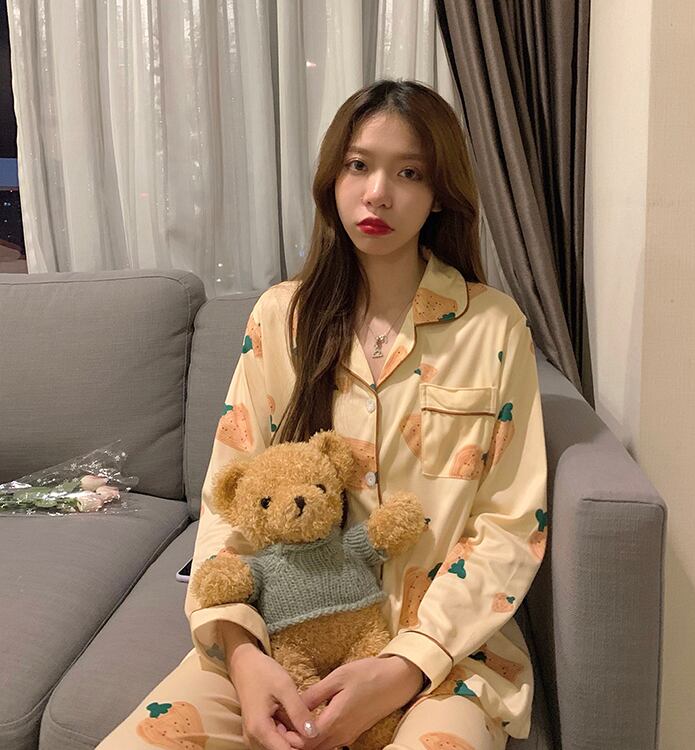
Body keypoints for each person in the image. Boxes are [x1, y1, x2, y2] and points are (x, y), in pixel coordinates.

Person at [98, 78, 547, 750]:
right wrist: (245, 659)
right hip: (283, 640)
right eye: (359, 165)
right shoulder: (282, 318)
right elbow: (231, 499)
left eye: (410, 173)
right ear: (332, 179)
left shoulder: (492, 326)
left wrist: (404, 665)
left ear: (439, 194)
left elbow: (510, 525)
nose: (377, 193)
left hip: (442, 659)